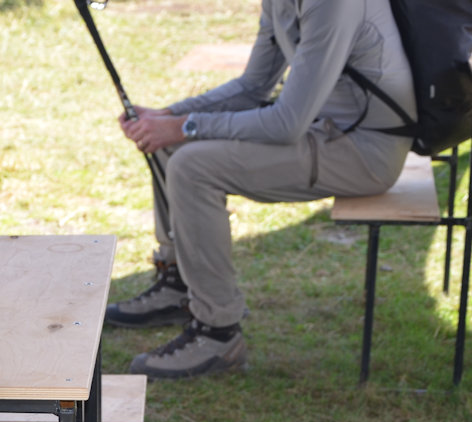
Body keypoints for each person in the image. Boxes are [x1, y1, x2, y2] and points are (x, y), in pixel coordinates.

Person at [105, 0, 415, 380]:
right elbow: (253, 87)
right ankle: (179, 284)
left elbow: (287, 123)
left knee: (192, 166)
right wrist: (168, 117)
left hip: (365, 152)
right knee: (172, 144)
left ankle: (218, 335)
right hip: (327, 130)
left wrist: (185, 125)